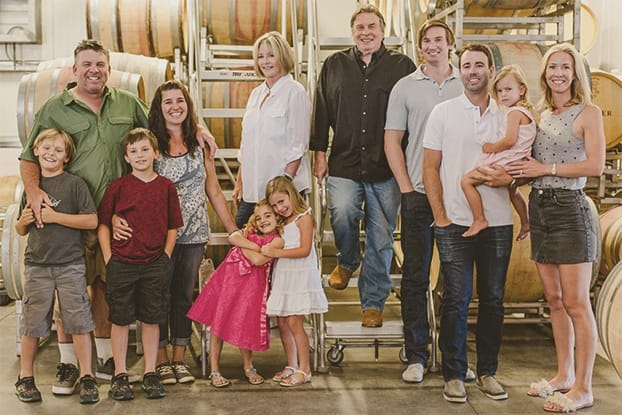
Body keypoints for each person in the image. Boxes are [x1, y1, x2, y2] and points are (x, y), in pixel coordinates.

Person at [18, 39, 217, 385]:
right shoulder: (54, 107)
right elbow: (28, 156)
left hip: (116, 218)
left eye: (100, 65)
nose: (94, 70)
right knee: (74, 290)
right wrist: (33, 192)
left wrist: (198, 128)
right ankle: (68, 364)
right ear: (75, 69)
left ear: (109, 70)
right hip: (72, 216)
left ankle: (109, 358)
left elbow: (162, 121)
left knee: (109, 289)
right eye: (87, 65)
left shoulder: (127, 102)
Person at [503, 43, 604, 413]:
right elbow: (527, 161)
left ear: (576, 72)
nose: (558, 73)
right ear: (544, 74)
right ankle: (563, 375)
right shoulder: (542, 114)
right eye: (552, 67)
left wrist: (545, 170)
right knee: (555, 300)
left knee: (578, 302)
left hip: (570, 210)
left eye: (565, 67)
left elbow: (594, 166)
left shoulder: (588, 112)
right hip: (541, 207)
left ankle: (584, 387)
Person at [310, 4, 415, 327]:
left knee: (381, 238)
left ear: (383, 31)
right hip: (344, 162)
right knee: (341, 212)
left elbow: (413, 114)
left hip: (387, 167)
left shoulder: (402, 66)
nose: (366, 32)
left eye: (372, 27)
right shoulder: (334, 65)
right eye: (360, 28)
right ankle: (347, 259)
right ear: (352, 32)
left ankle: (373, 303)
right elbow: (321, 109)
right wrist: (319, 152)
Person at [422, 43, 512, 403]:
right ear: (459, 71)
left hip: (499, 222)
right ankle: (455, 374)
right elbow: (430, 168)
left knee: (493, 299)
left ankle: (488, 372)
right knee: (456, 299)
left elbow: (521, 161)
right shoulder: (443, 113)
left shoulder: (508, 115)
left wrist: (512, 180)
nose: (473, 70)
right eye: (466, 65)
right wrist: (440, 215)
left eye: (479, 64)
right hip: (455, 222)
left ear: (491, 69)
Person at [384, 19, 464, 383]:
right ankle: (416, 355)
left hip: (460, 199)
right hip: (417, 195)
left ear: (451, 44)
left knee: (455, 281)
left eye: (439, 40)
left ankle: (454, 360)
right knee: (415, 278)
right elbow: (392, 141)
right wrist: (405, 188)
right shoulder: (405, 88)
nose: (433, 46)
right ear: (420, 48)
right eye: (426, 41)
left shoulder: (467, 84)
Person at [146, 80, 236, 385]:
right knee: (159, 296)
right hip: (160, 235)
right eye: (167, 101)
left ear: (188, 105)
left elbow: (213, 189)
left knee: (185, 296)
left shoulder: (200, 144)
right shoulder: (152, 144)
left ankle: (179, 360)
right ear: (159, 108)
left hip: (195, 234)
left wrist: (233, 229)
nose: (174, 107)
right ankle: (159, 361)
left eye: (179, 100)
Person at [14, 129, 99, 404]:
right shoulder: (30, 187)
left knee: (79, 322)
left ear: (67, 156)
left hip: (70, 265)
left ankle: (87, 377)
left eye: (58, 149)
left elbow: (91, 221)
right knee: (32, 324)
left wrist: (55, 216)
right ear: (36, 151)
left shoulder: (75, 184)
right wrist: (25, 219)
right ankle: (26, 377)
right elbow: (20, 230)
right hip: (37, 265)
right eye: (46, 148)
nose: (51, 153)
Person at [98, 128, 183, 400]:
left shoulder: (166, 187)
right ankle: (120, 374)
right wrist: (109, 258)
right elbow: (102, 225)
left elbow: (173, 227)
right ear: (126, 157)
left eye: (145, 149)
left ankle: (150, 372)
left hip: (153, 264)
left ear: (156, 153)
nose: (140, 155)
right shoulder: (118, 187)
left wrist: (166, 257)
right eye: (133, 151)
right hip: (121, 263)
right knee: (120, 320)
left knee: (150, 318)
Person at [187, 200, 284, 388]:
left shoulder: (277, 240)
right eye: (258, 217)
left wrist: (244, 247)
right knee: (217, 325)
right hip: (227, 282)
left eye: (268, 215)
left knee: (245, 324)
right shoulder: (251, 233)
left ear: (277, 217)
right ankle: (214, 369)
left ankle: (248, 366)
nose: (263, 220)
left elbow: (257, 261)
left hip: (251, 288)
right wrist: (254, 246)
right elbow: (233, 239)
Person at [232, 31, 311, 228]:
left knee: (281, 248)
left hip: (281, 193)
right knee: (242, 237)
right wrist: (240, 181)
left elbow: (298, 145)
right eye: (260, 56)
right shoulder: (256, 94)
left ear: (282, 56)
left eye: (271, 55)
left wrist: (283, 188)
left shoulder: (295, 92)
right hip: (252, 191)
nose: (265, 61)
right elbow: (247, 143)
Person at [262, 176, 328, 386]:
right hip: (284, 274)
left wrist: (276, 252)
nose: (279, 208)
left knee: (294, 322)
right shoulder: (282, 222)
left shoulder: (304, 217)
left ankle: (305, 369)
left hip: (299, 274)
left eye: (282, 201)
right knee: (282, 321)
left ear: (292, 195)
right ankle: (291, 364)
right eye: (274, 205)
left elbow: (304, 250)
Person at [461, 64, 536, 239]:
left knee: (466, 181)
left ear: (522, 89)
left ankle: (479, 219)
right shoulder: (527, 112)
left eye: (508, 89)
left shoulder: (514, 113)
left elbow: (509, 140)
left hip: (507, 161)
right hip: (518, 161)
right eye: (500, 91)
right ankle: (526, 223)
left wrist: (491, 147)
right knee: (513, 191)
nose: (503, 94)